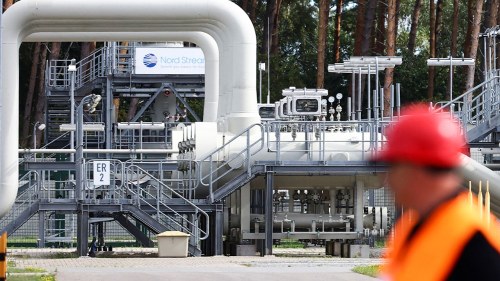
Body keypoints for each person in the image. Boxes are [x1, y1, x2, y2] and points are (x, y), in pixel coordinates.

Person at [373, 104, 500, 281]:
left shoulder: (478, 245)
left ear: (414, 170)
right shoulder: (412, 227)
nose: (388, 179)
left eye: (392, 167)